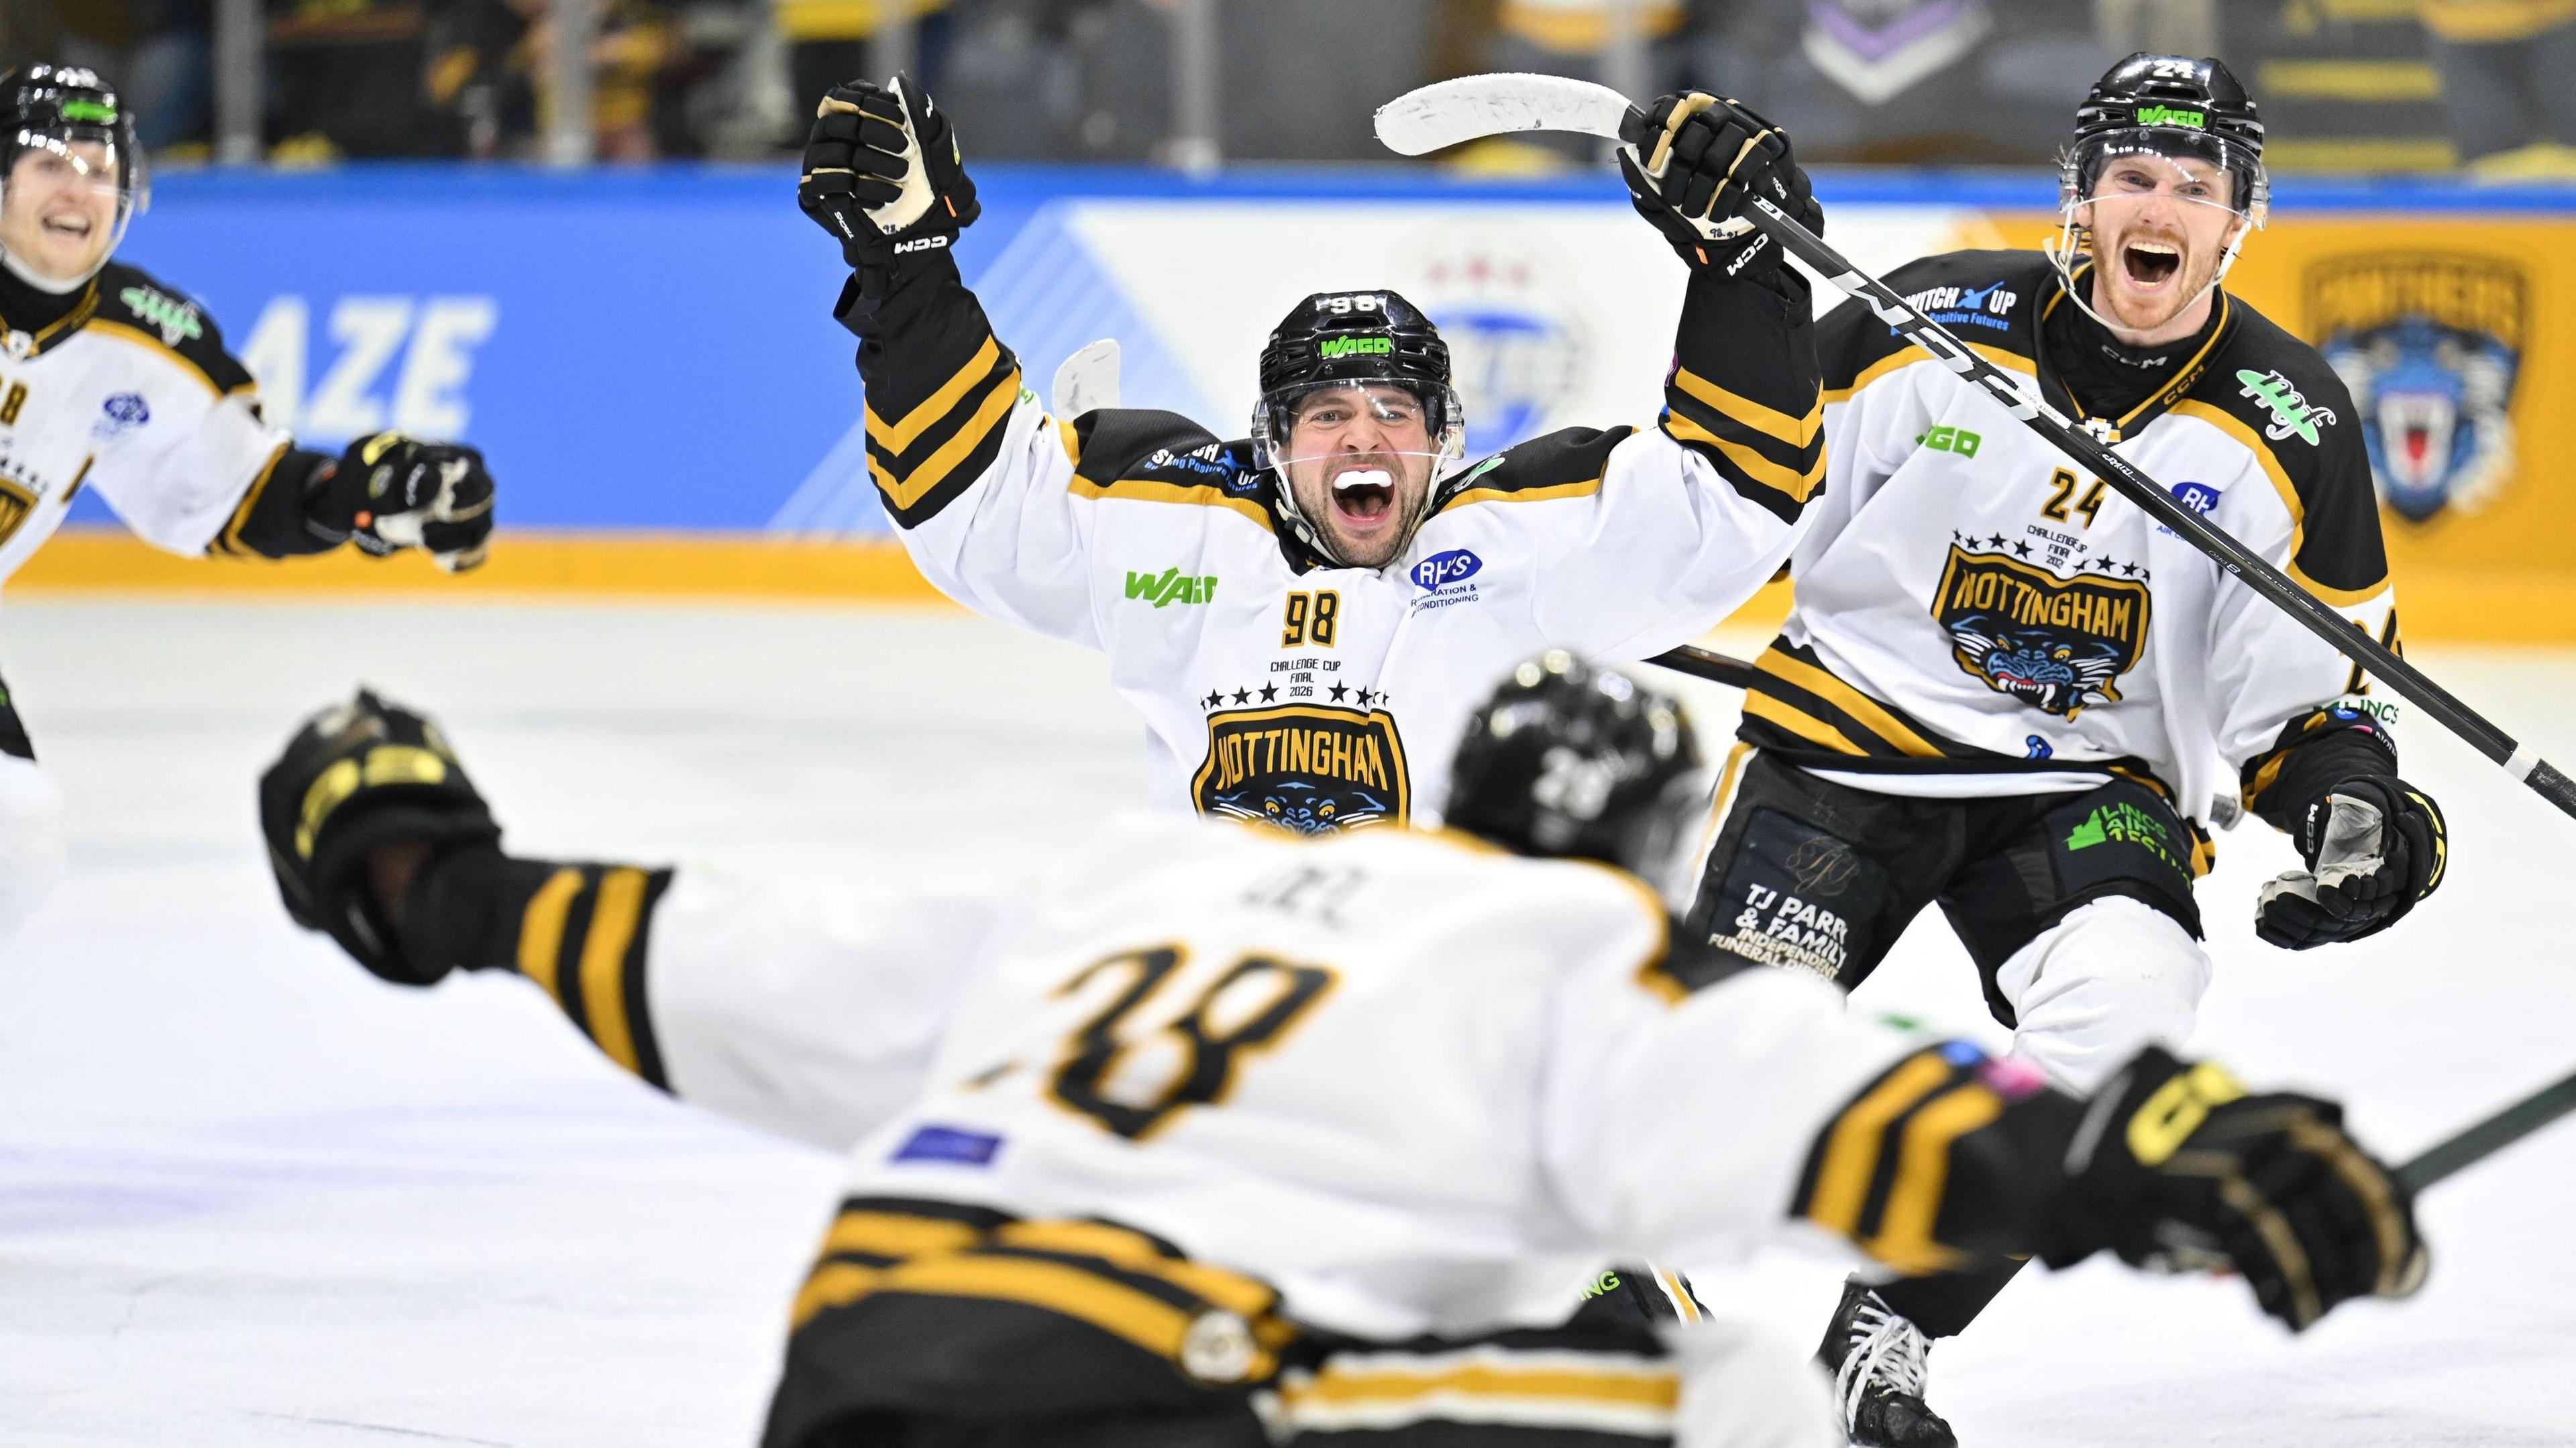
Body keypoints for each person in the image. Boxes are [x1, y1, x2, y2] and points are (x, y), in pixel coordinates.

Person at [256, 656, 2425, 1448]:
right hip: (1171, 1396)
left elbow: (714, 954)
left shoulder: (1130, 889)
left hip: (858, 1378)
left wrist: (435, 886)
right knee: (1736, 1395)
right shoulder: (1579, 961)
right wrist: (2142, 1153)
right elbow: (1847, 1110)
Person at [1664, 55, 2448, 1445]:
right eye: (2131, 178)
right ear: (2078, 199)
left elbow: (2310, 700)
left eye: (2193, 186)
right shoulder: (1928, 321)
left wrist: (2356, 802)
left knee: (2134, 1009)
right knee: (1702, 1078)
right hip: (1847, 745)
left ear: (2240, 218)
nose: (2159, 206)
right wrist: (1731, 271)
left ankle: (1887, 1328)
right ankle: (1628, 1321)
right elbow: (1737, 489)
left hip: (2084, 792)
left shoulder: (2293, 419)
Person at [795, 75, 1825, 835]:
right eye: (1328, 413)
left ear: (1441, 439)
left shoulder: (1527, 535)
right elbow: (971, 499)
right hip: (1214, 989)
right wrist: (906, 263)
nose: (1366, 435)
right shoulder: (1180, 524)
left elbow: (1735, 487)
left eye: (1394, 410)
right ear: (1274, 442)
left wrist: (1738, 264)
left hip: (1436, 998)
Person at [0, 64, 496, 942]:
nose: (80, 186)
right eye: (50, 163)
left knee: (14, 837)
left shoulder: (144, 340)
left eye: (99, 166)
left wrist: (359, 495)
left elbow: (233, 493)